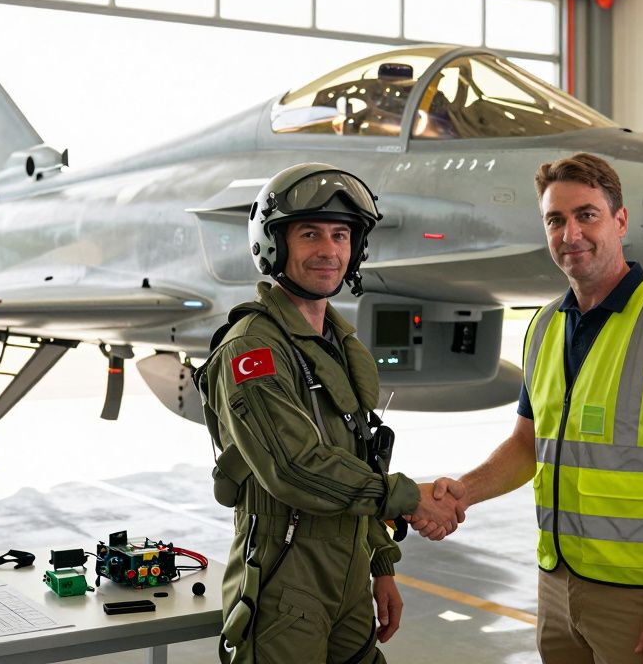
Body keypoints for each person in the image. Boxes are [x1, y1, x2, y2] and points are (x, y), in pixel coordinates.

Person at [417, 153, 643, 664]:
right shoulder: (544, 326)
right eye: (555, 220)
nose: (571, 234)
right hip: (556, 587)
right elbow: (526, 445)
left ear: (620, 221)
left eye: (587, 215)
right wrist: (463, 493)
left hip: (638, 595)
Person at [197, 163, 461, 664]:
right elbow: (295, 468)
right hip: (284, 579)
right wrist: (406, 498)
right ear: (275, 245)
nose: (329, 250)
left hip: (348, 574)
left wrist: (381, 562)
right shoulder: (254, 348)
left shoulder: (335, 344)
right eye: (310, 234)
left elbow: (359, 457)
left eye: (341, 235)